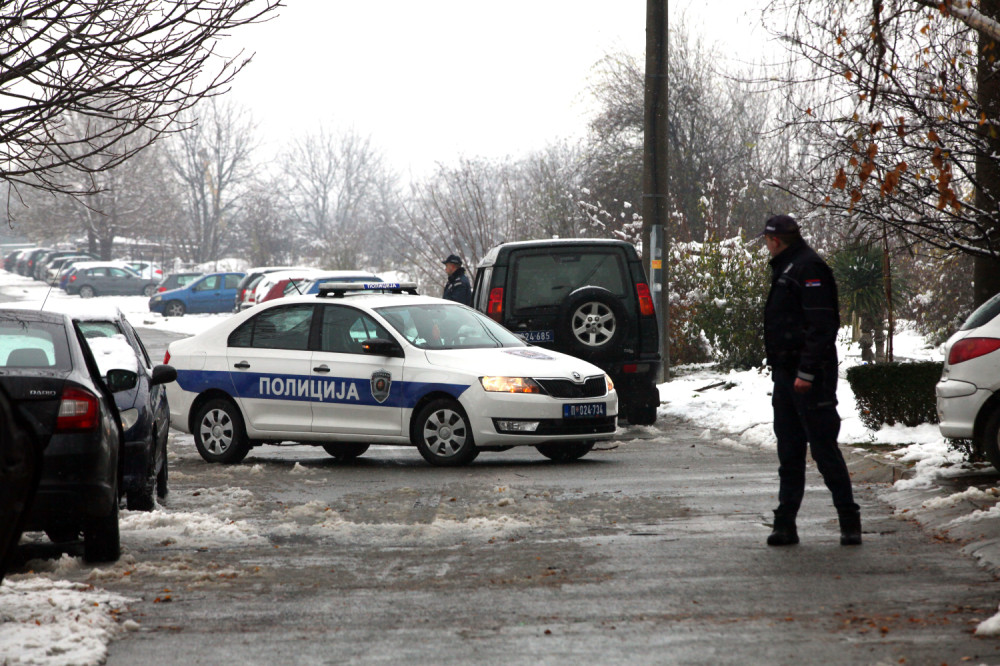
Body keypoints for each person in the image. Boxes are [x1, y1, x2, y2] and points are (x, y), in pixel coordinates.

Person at [761, 214, 861, 547]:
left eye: (766, 240)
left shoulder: (808, 268)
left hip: (810, 378)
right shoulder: (788, 266)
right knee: (789, 453)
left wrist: (806, 372)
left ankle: (849, 522)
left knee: (823, 450)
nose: (765, 246)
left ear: (775, 240)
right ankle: (785, 524)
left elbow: (822, 326)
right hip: (787, 376)